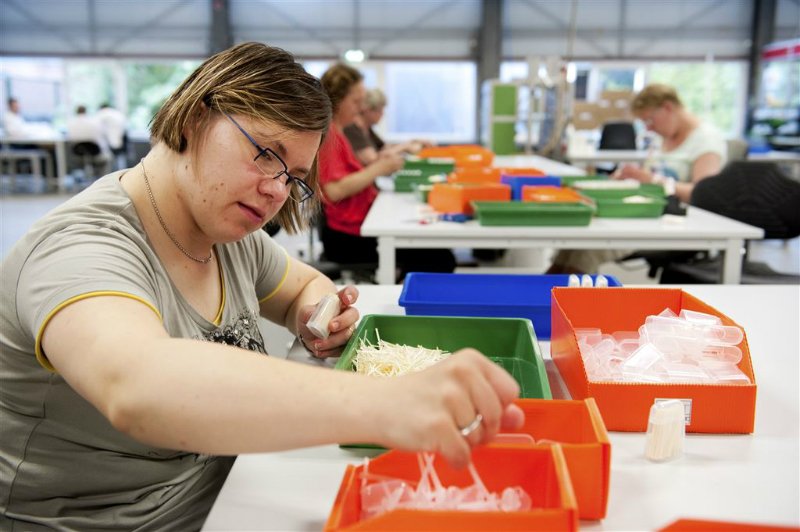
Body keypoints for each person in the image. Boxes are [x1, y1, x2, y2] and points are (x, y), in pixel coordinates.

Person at [0, 42, 523, 529]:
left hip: (230, 491)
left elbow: (302, 285)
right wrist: (384, 403)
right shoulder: (79, 248)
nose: (276, 191)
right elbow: (136, 386)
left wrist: (318, 313)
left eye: (293, 177)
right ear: (198, 117)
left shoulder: (225, 232)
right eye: (266, 154)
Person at [548, 83, 728, 274]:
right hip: (649, 214)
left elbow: (702, 194)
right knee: (575, 242)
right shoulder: (663, 138)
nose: (649, 128)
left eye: (650, 120)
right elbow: (652, 176)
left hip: (679, 224)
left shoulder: (706, 141)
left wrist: (654, 180)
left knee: (588, 250)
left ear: (668, 107)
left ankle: (562, 292)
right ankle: (544, 290)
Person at [318, 64, 456, 279]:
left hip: (359, 225)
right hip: (347, 238)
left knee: (433, 251)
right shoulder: (330, 137)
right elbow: (334, 191)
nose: (360, 108)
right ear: (337, 100)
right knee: (439, 258)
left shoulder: (340, 134)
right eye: (356, 101)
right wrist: (378, 169)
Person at [343, 87, 431, 166]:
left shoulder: (367, 129)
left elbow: (384, 148)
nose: (382, 114)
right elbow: (373, 159)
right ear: (367, 110)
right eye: (380, 110)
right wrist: (405, 147)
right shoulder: (352, 129)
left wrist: (412, 141)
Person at [66, 104, 112, 175]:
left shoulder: (70, 123)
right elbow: (100, 137)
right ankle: (105, 177)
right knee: (108, 157)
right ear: (86, 111)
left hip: (78, 153)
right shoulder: (94, 122)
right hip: (95, 152)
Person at [96, 102, 128, 167]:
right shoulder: (117, 113)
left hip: (111, 143)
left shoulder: (102, 113)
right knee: (119, 159)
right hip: (121, 140)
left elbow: (97, 128)